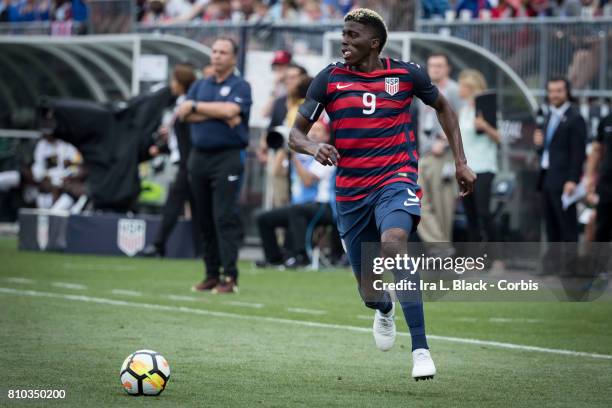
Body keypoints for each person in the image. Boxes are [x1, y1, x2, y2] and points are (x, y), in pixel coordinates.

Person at [289, 8, 475, 380]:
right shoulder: (328, 79)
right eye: (343, 34)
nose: (344, 41)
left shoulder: (406, 74)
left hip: (396, 179)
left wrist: (460, 160)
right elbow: (295, 134)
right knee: (370, 292)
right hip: (351, 192)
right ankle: (384, 308)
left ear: (373, 42)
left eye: (352, 35)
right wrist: (314, 148)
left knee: (394, 242)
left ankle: (421, 349)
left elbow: (444, 107)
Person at [178, 37, 252, 294]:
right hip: (199, 157)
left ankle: (229, 276)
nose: (217, 56)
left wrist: (197, 108)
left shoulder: (241, 86)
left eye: (223, 52)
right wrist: (218, 112)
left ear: (233, 58)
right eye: (214, 51)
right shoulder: (200, 85)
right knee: (203, 218)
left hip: (227, 157)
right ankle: (211, 273)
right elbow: (183, 114)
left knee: (224, 217)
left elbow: (232, 112)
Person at [140, 63, 198, 258]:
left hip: (187, 163)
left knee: (175, 204)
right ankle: (200, 249)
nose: (172, 84)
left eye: (175, 80)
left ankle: (159, 245)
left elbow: (189, 138)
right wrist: (163, 147)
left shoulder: (189, 104)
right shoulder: (180, 103)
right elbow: (177, 138)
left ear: (182, 82)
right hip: (182, 161)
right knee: (195, 207)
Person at [416, 53, 463, 247]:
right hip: (425, 153)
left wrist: (444, 143)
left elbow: (460, 119)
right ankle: (441, 247)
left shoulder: (453, 90)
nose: (434, 69)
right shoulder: (424, 89)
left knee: (443, 208)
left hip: (443, 156)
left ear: (447, 68)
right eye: (431, 65)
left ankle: (443, 256)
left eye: (439, 65)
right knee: (416, 202)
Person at [533, 77, 586, 243]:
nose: (554, 95)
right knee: (551, 226)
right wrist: (538, 144)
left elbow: (578, 152)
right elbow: (547, 150)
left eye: (558, 91)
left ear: (567, 92)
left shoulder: (575, 118)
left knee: (567, 227)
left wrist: (572, 179)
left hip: (564, 180)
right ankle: (553, 266)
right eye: (551, 91)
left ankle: (570, 267)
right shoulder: (549, 115)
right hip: (547, 176)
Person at [457, 69, 500, 242]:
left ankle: (498, 258)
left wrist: (485, 126)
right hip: (466, 168)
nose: (458, 89)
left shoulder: (486, 109)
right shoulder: (464, 110)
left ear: (469, 87)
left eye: (461, 85)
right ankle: (476, 258)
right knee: (470, 214)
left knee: (483, 211)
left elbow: (498, 138)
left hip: (484, 167)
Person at [586, 112, 612, 241]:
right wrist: (589, 178)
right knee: (601, 229)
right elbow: (597, 150)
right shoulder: (607, 120)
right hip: (606, 185)